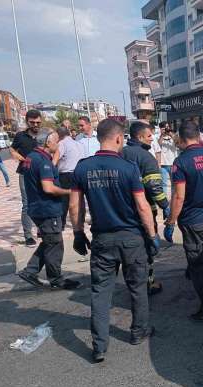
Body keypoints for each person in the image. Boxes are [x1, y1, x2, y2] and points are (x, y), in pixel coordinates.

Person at [69, 119, 159, 363]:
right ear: (119, 139)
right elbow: (142, 207)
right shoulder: (128, 168)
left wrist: (78, 233)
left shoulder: (83, 168)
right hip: (132, 239)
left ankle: (99, 346)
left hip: (102, 240)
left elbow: (75, 204)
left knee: (100, 292)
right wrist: (152, 235)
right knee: (137, 288)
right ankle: (138, 332)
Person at [164, 122, 203, 322]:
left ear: (182, 139)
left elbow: (179, 197)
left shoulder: (180, 162)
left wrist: (171, 221)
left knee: (198, 264)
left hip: (193, 220)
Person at [16, 129, 80, 290]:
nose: (58, 144)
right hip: (47, 209)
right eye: (56, 141)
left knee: (49, 241)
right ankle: (56, 279)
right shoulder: (43, 161)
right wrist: (70, 192)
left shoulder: (31, 157)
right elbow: (49, 188)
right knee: (55, 245)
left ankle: (30, 271)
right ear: (47, 143)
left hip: (38, 207)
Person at [122, 121, 170, 295]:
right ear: (140, 137)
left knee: (129, 251)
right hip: (145, 211)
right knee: (147, 248)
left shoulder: (121, 153)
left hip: (124, 211)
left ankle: (132, 282)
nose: (152, 139)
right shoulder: (146, 157)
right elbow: (154, 188)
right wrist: (166, 205)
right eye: (149, 136)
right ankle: (148, 283)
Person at [10, 109, 42, 246]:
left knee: (42, 201)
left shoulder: (45, 134)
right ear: (27, 122)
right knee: (27, 204)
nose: (35, 125)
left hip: (43, 173)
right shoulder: (20, 136)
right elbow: (12, 149)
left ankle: (42, 229)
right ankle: (28, 235)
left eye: (38, 122)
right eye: (32, 122)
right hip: (25, 173)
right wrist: (19, 157)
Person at [56, 126, 88, 229]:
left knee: (64, 200)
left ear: (59, 135)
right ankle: (80, 220)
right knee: (79, 199)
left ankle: (62, 223)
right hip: (79, 173)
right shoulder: (78, 143)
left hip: (66, 174)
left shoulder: (62, 144)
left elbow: (56, 159)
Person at [158, 121, 179, 199]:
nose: (167, 129)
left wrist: (171, 134)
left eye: (168, 127)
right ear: (161, 128)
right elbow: (158, 144)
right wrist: (162, 135)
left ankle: (174, 199)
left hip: (173, 163)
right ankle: (166, 203)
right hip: (163, 164)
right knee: (164, 185)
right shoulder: (158, 136)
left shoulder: (173, 135)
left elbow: (178, 143)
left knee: (175, 183)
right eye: (165, 127)